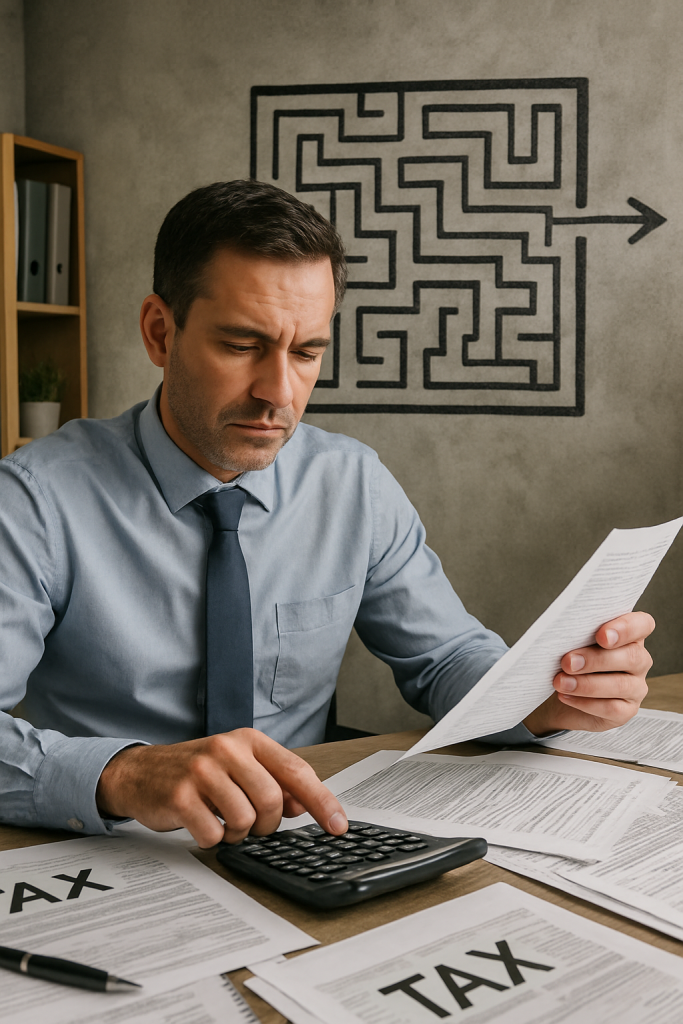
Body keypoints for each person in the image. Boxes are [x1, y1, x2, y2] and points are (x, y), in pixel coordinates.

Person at [0, 181, 653, 849]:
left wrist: (539, 700)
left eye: (306, 352)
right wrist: (125, 773)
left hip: (302, 840)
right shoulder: (33, 498)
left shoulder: (352, 482)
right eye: (240, 344)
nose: (277, 393)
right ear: (160, 332)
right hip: (102, 847)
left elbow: (444, 655)